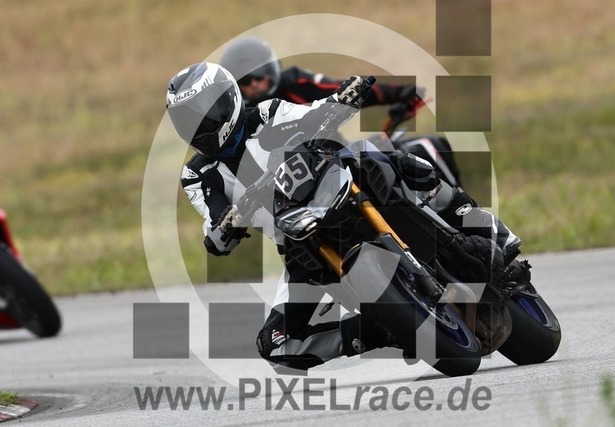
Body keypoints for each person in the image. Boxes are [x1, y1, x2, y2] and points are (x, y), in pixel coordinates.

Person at [166, 62, 522, 372]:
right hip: (300, 243)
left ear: (226, 100)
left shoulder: (266, 114)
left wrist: (344, 98)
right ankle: (384, 329)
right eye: (186, 119)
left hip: (337, 184)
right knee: (275, 345)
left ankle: (479, 224)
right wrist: (223, 229)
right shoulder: (196, 175)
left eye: (202, 113)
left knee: (390, 160)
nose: (197, 125)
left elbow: (312, 114)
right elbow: (214, 218)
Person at [219, 37, 463, 187]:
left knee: (428, 147)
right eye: (245, 80)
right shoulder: (237, 124)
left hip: (344, 160)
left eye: (258, 75)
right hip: (295, 194)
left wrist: (400, 94)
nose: (254, 84)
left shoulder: (294, 83)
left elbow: (343, 91)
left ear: (271, 69)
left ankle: (464, 221)